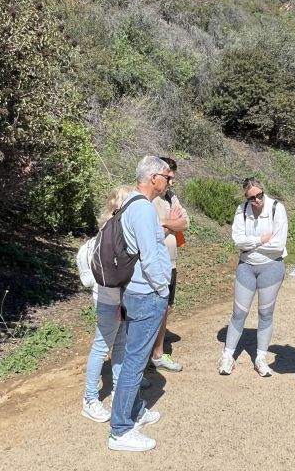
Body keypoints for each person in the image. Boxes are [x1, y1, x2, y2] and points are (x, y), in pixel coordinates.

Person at [107, 156, 173, 452]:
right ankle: (120, 430)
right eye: (168, 177)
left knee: (132, 357)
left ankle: (133, 411)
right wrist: (162, 290)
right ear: (153, 177)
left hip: (132, 291)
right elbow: (150, 255)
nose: (170, 182)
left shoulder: (129, 203)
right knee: (135, 362)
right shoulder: (144, 209)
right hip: (146, 294)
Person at [78, 185, 150, 423]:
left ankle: (120, 398)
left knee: (117, 348)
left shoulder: (101, 236)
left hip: (115, 301)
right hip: (113, 302)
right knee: (102, 348)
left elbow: (87, 275)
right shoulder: (115, 236)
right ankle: (90, 399)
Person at [218, 177, 288, 377]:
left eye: (260, 195)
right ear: (246, 198)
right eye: (252, 198)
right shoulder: (241, 210)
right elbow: (237, 241)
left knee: (265, 314)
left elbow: (278, 245)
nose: (257, 200)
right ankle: (227, 355)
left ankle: (261, 357)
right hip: (246, 266)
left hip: (272, 268)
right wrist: (260, 239)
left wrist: (251, 244)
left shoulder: (277, 208)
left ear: (264, 192)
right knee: (239, 313)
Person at [149, 156, 189, 373]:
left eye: (172, 178)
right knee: (150, 309)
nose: (171, 183)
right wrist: (170, 224)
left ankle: (157, 353)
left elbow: (185, 222)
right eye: (168, 178)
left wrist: (165, 222)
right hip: (154, 263)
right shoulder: (148, 200)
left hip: (171, 263)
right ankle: (142, 356)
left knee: (166, 308)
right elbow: (152, 234)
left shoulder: (171, 197)